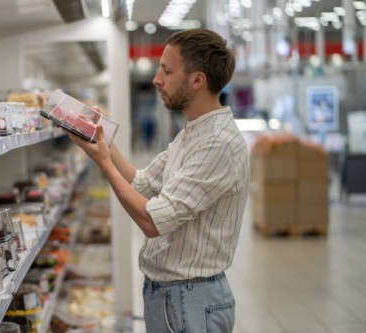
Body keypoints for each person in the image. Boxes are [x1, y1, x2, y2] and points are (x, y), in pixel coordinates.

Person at [66, 28, 249, 333]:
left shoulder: (218, 144)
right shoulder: (193, 132)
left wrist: (103, 162)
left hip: (192, 301)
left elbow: (152, 222)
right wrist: (102, 137)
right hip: (173, 296)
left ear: (197, 80)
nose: (156, 79)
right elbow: (142, 183)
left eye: (166, 70)